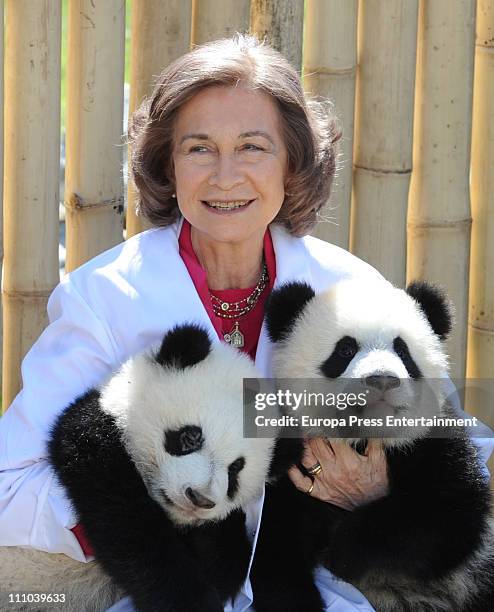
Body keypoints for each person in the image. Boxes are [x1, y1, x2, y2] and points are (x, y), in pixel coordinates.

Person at [0, 34, 491, 612]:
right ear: (168, 163)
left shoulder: (350, 290)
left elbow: (456, 450)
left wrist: (384, 494)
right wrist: (166, 487)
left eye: (253, 147)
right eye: (199, 148)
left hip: (329, 590)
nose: (225, 175)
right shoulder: (104, 296)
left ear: (294, 164)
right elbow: (13, 493)